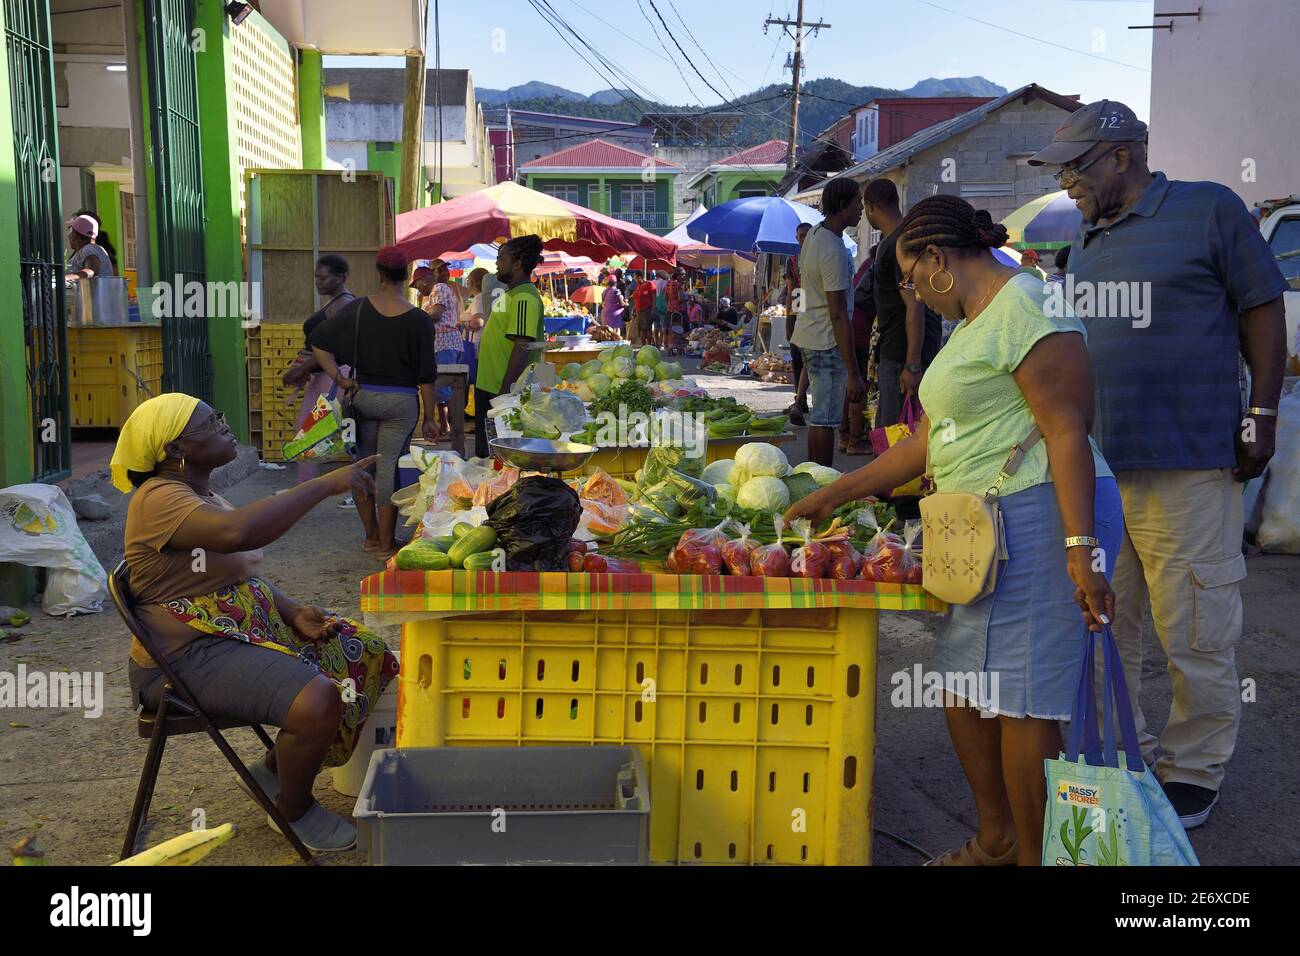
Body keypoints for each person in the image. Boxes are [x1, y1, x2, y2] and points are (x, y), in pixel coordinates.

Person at [788, 195, 1121, 866]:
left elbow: (1066, 429)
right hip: (977, 526)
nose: (911, 292)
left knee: (1023, 701)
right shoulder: (974, 322)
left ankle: (1036, 855)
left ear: (938, 260)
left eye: (912, 278)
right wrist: (841, 489)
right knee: (966, 684)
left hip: (1040, 511)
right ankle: (998, 837)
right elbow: (929, 441)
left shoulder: (1029, 305)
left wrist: (1080, 550)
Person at [1029, 99, 1289, 828]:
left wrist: (1261, 414)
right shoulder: (1085, 240)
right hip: (1104, 474)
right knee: (1110, 629)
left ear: (1121, 155)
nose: (1067, 184)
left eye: (1075, 168)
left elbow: (1263, 306)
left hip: (1186, 463)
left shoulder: (1207, 209)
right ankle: (1129, 756)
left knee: (1195, 630)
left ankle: (1194, 770)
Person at [112, 392, 397, 853]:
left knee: (359, 649)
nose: (224, 425)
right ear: (177, 449)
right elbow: (238, 534)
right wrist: (323, 485)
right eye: (210, 422)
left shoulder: (200, 492)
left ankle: (272, 770)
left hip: (226, 637)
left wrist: (290, 610)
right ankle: (293, 810)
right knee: (318, 698)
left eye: (219, 413)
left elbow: (237, 571)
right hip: (183, 658)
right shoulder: (158, 499)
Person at [310, 246, 439, 559]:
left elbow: (318, 342)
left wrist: (339, 379)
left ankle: (369, 537)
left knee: (362, 466)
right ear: (406, 276)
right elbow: (427, 377)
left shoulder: (357, 309)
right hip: (402, 403)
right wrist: (431, 418)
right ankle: (385, 544)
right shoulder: (420, 320)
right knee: (389, 468)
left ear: (379, 274)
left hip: (362, 398)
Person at [793, 177, 866, 467]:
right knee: (825, 420)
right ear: (842, 206)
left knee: (819, 419)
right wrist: (853, 371)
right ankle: (822, 484)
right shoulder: (832, 249)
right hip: (826, 340)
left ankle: (813, 479)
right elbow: (838, 313)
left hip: (811, 334)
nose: (861, 208)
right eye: (857, 202)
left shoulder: (816, 235)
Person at [863, 178, 942, 428]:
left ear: (870, 207)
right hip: (905, 349)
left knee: (895, 434)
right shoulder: (903, 237)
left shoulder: (900, 244)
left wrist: (912, 364)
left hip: (902, 353)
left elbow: (914, 304)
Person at [283, 255, 356, 485]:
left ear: (341, 276)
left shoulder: (343, 304)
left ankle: (305, 489)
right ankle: (305, 487)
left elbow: (332, 348)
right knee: (315, 433)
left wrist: (301, 369)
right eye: (316, 277)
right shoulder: (335, 302)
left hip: (333, 375)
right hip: (326, 375)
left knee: (310, 433)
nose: (318, 282)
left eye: (323, 277)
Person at [473, 234, 546, 459]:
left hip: (501, 391)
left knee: (497, 457)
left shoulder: (524, 297)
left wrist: (505, 392)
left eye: (501, 258)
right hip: (491, 386)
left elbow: (522, 346)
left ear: (517, 263)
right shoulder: (512, 294)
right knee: (487, 455)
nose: (497, 263)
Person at [411, 260, 462, 441]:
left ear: (425, 280)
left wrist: (411, 317)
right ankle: (445, 426)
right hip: (438, 345)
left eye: (417, 285)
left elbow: (435, 315)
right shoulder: (429, 295)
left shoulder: (439, 288)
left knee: (445, 387)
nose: (418, 289)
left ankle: (453, 428)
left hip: (445, 344)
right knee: (439, 387)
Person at [841, 251, 876, 456]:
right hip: (862, 332)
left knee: (850, 386)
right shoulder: (883, 261)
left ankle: (844, 436)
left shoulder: (867, 263)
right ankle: (854, 441)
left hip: (852, 328)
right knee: (860, 387)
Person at [784, 222, 813, 426]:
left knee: (809, 357)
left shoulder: (818, 257)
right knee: (797, 359)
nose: (803, 240)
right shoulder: (793, 261)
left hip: (816, 311)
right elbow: (793, 291)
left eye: (806, 235)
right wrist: (790, 318)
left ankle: (800, 399)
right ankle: (799, 398)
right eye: (800, 236)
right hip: (800, 309)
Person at [64, 214, 115, 281]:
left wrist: (67, 277)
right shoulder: (91, 249)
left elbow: (91, 270)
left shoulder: (89, 249)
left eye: (70, 230)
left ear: (74, 234)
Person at [461, 266, 489, 385]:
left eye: (468, 281)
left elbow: (478, 322)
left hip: (475, 346)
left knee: (474, 380)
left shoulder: (479, 298)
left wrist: (464, 324)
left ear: (472, 282)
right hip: (480, 345)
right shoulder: (486, 297)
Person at [73, 208, 119, 274]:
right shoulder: (88, 249)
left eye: (71, 228)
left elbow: (91, 270)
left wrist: (69, 277)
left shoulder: (90, 249)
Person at [632, 271, 657, 347]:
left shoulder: (649, 284)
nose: (635, 280)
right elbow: (637, 299)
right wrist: (634, 309)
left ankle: (649, 345)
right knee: (642, 329)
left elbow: (654, 297)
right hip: (639, 311)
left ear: (639, 277)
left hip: (647, 310)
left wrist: (653, 309)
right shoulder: (638, 286)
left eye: (635, 278)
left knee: (648, 329)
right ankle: (643, 346)